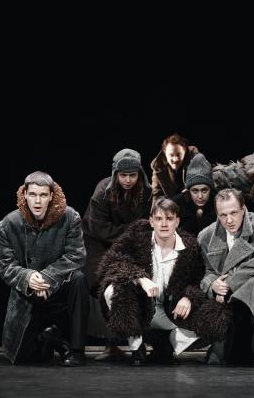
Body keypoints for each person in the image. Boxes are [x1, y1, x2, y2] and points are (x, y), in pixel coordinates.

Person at [97, 197, 229, 365]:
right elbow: (112, 262)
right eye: (159, 219)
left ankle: (165, 344)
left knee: (215, 317)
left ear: (177, 222)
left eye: (169, 219)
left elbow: (197, 279)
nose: (164, 224)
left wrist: (188, 297)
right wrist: (140, 278)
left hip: (170, 311)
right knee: (113, 290)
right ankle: (136, 347)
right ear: (151, 221)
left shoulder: (189, 247)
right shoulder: (137, 238)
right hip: (141, 307)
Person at [0, 171, 89, 366]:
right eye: (33, 194)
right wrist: (28, 277)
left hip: (60, 290)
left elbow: (76, 255)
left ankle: (77, 349)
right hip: (27, 295)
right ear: (25, 195)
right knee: (21, 358)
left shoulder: (69, 217)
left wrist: (47, 278)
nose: (37, 201)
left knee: (79, 279)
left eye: (43, 195)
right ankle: (53, 339)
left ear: (51, 196)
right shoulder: (8, 224)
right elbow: (5, 266)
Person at [198, 188, 254, 367]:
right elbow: (207, 272)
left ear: (243, 209)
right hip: (226, 296)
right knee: (222, 359)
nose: (229, 220)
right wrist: (213, 285)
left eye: (233, 213)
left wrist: (228, 283)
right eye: (223, 215)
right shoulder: (206, 237)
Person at [81, 148, 152, 361]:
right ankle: (110, 343)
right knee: (101, 282)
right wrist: (131, 232)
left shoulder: (146, 192)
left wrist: (134, 236)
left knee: (135, 281)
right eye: (123, 175)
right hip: (97, 243)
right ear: (115, 174)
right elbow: (98, 227)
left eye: (132, 175)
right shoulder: (103, 190)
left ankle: (139, 341)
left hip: (130, 243)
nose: (128, 180)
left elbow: (146, 223)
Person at [172, 153, 217, 236]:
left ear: (210, 189)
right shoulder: (174, 205)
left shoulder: (220, 203)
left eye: (204, 190)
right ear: (188, 191)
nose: (200, 196)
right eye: (195, 191)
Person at [150, 133, 199, 205]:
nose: (175, 159)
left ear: (185, 151)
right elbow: (156, 195)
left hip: (192, 204)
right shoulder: (158, 166)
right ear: (165, 153)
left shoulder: (196, 159)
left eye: (179, 154)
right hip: (171, 208)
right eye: (171, 155)